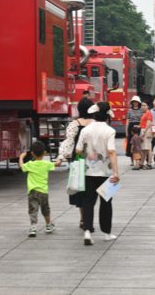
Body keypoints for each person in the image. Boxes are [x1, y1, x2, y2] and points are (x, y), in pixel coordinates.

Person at [76, 101, 120, 245]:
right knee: (106, 202)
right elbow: (112, 151)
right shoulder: (109, 131)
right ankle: (107, 233)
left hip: (88, 172)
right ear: (108, 115)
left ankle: (87, 231)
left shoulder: (85, 130)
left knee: (88, 201)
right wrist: (116, 172)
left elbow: (77, 150)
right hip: (106, 173)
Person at [57, 97, 95, 229]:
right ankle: (89, 218)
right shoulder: (96, 124)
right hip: (94, 159)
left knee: (80, 187)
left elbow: (68, 142)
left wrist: (61, 156)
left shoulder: (74, 124)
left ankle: (83, 219)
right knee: (92, 188)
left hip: (78, 159)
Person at [19, 141, 61, 237]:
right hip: (43, 191)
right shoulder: (46, 164)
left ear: (32, 153)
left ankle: (33, 228)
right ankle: (48, 225)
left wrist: (21, 157)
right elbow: (57, 164)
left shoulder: (30, 164)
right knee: (45, 208)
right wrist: (60, 158)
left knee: (33, 209)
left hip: (32, 191)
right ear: (45, 153)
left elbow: (21, 167)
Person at [125, 96, 145, 167]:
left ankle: (139, 160)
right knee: (131, 143)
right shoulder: (129, 111)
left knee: (139, 143)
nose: (135, 103)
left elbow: (142, 119)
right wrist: (126, 130)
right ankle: (132, 161)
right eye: (134, 101)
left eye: (136, 101)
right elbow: (127, 120)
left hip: (139, 126)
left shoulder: (141, 110)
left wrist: (141, 127)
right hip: (131, 126)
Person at [139, 101, 155, 169]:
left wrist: (144, 131)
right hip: (143, 129)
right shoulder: (145, 113)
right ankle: (141, 163)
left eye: (144, 105)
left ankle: (149, 164)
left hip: (146, 131)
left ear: (148, 106)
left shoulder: (148, 113)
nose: (143, 107)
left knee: (148, 148)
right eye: (142, 105)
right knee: (143, 148)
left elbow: (148, 123)